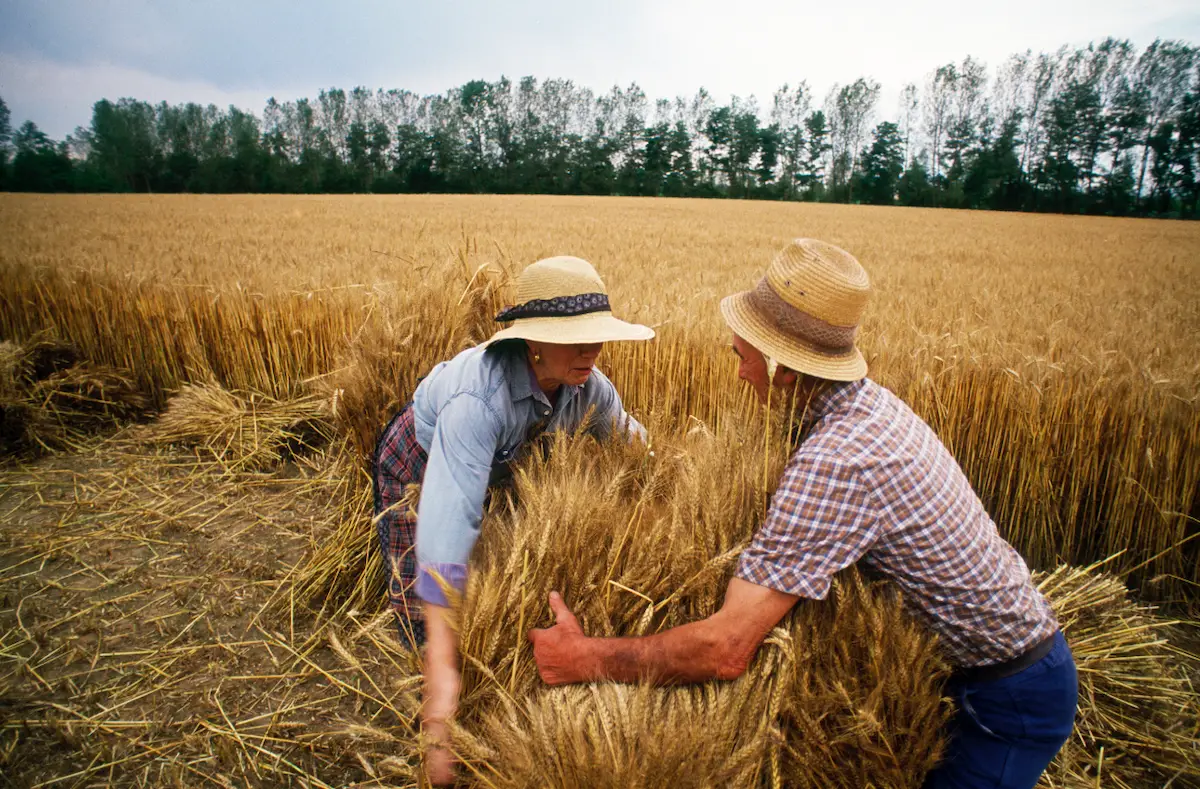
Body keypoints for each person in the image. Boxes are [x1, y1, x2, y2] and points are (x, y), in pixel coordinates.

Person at [528, 239, 1078, 788]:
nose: (741, 374)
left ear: (783, 370)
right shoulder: (868, 405)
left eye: (743, 357)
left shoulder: (838, 462)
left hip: (1009, 698)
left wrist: (584, 659)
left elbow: (726, 650)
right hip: (982, 673)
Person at [372, 254, 653, 784]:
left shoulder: (589, 387)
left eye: (597, 335)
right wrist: (442, 684)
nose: (592, 348)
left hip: (503, 459)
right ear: (531, 342)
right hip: (420, 461)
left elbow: (634, 447)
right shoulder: (478, 400)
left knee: (496, 569)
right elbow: (445, 534)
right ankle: (431, 704)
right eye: (574, 336)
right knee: (426, 597)